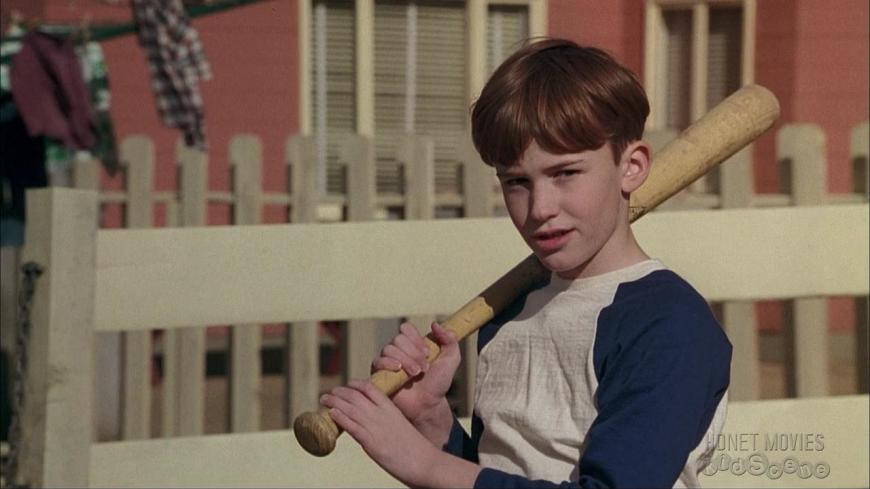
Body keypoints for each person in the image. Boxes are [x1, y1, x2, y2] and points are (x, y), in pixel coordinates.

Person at [320, 38, 732, 488]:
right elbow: (500, 473)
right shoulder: (514, 309)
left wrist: (425, 464)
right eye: (517, 181)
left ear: (631, 166)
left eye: (565, 173)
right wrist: (432, 422)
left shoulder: (668, 325)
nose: (539, 208)